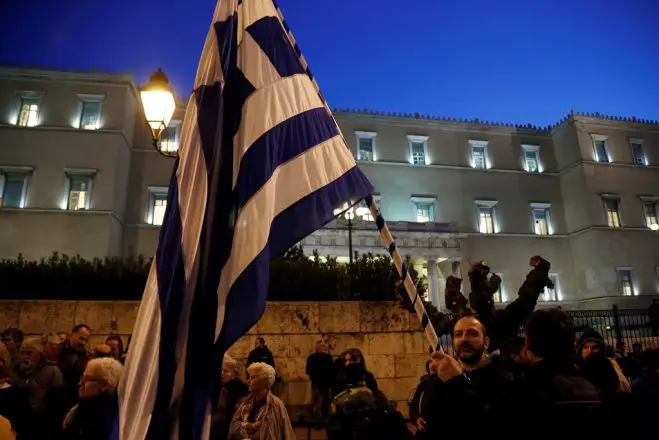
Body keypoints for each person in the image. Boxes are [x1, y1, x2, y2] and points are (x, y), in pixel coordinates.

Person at [228, 362, 294, 440]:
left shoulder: (275, 405)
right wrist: (252, 426)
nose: (248, 381)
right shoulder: (247, 402)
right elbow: (233, 427)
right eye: (249, 377)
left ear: (265, 381)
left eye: (253, 378)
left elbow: (272, 434)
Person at [62, 357, 123, 439]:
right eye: (82, 378)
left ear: (105, 385)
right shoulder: (83, 406)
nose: (80, 383)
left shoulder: (102, 416)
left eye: (87, 379)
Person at [211, 355, 248, 440]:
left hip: (227, 431)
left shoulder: (239, 390)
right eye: (220, 370)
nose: (222, 374)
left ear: (233, 375)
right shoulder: (213, 387)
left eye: (226, 371)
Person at [305, 340, 334, 420]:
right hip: (316, 383)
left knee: (325, 402)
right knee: (316, 402)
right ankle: (316, 419)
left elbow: (332, 370)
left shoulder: (328, 358)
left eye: (324, 346)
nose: (323, 348)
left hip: (325, 384)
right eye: (321, 346)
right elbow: (308, 370)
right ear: (317, 347)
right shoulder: (312, 358)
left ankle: (323, 419)